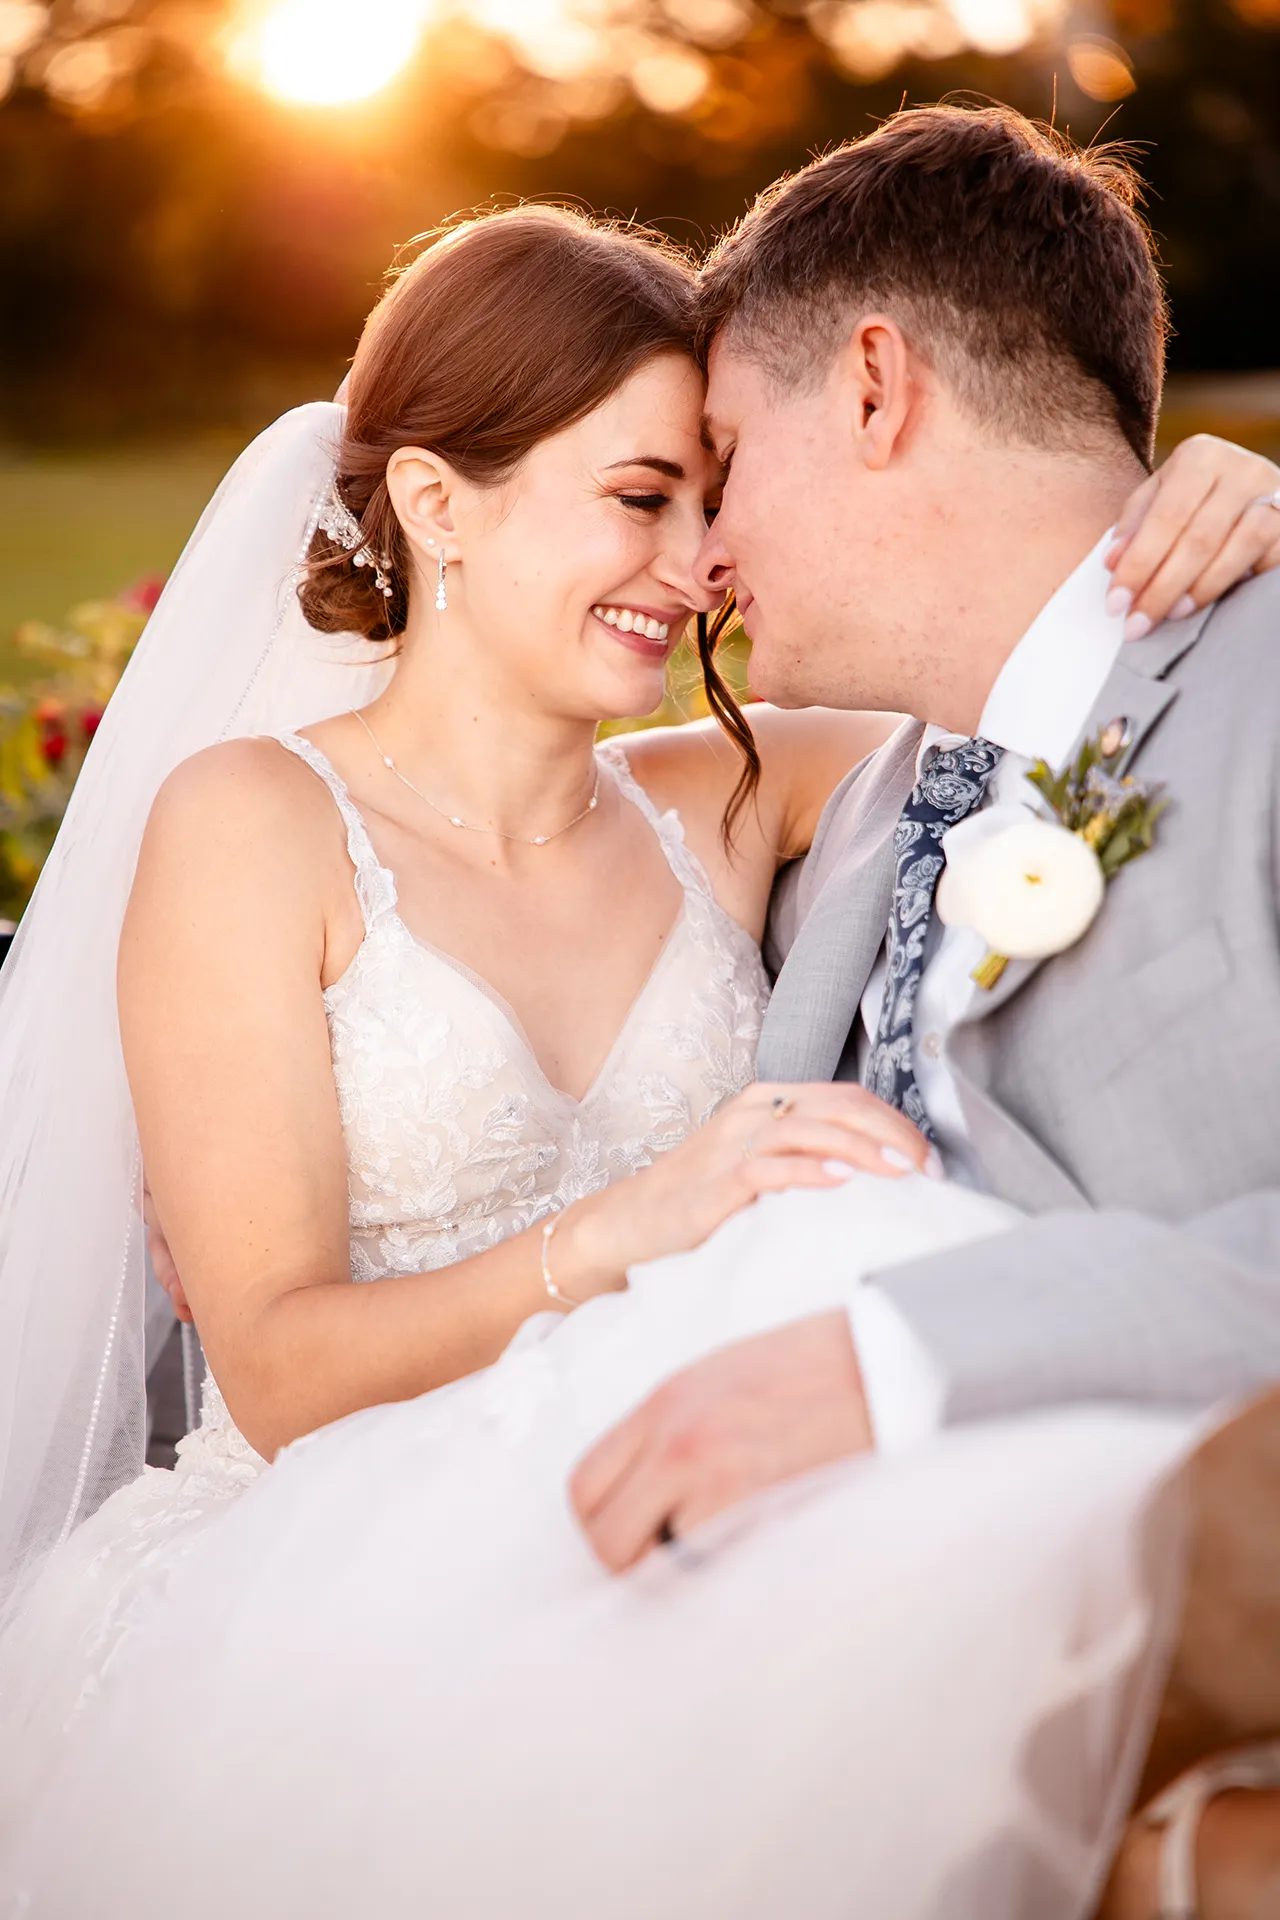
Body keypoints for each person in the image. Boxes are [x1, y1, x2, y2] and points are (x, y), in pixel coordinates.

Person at [0, 151, 1276, 1918]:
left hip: (749, 1495)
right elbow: (279, 1364)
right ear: (438, 506)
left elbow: (1053, 648)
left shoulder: (754, 787)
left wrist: (1215, 496)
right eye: (648, 497)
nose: (702, 567)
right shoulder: (257, 822)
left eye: (718, 487)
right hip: (359, 1544)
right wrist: (626, 1227)